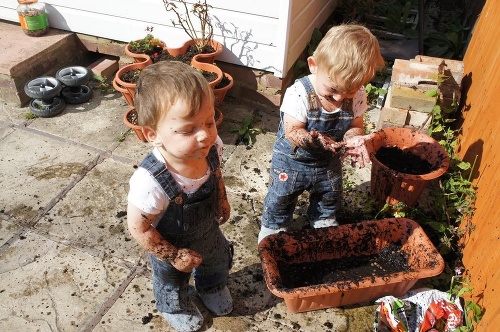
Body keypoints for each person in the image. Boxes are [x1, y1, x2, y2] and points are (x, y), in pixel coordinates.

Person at [126, 61, 233, 332]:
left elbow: (216, 173)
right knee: (172, 281)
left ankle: (212, 286)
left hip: (208, 231)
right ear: (153, 135)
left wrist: (221, 198)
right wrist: (172, 255)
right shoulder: (150, 182)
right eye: (187, 130)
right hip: (171, 243)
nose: (204, 135)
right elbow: (138, 227)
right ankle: (174, 306)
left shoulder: (212, 147)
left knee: (217, 259)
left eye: (210, 121)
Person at [258, 24, 385, 243]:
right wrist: (312, 138)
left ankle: (323, 220)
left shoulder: (358, 95)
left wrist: (352, 138)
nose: (339, 99)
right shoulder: (298, 93)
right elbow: (292, 131)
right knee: (281, 196)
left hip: (328, 162)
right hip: (292, 161)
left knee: (330, 194)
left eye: (349, 92)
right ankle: (274, 227)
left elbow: (356, 124)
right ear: (314, 65)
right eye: (334, 90)